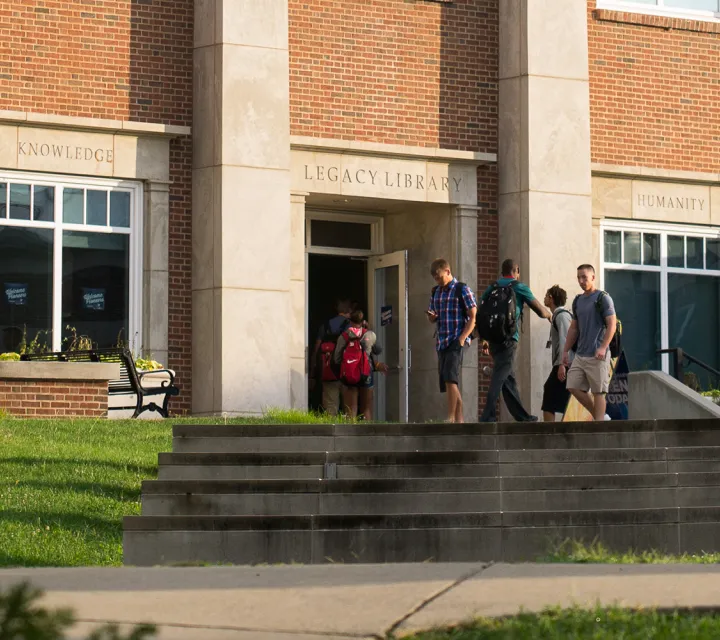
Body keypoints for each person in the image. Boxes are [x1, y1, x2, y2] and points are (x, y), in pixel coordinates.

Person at [479, 259, 551, 422]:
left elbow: (482, 312)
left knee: (508, 378)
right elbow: (540, 310)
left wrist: (484, 339)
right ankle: (487, 415)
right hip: (509, 339)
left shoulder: (492, 287)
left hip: (493, 339)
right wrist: (551, 315)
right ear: (516, 270)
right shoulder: (519, 287)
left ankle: (522, 417)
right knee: (500, 375)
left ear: (502, 271)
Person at [562, 264, 617, 421]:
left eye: (584, 277)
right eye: (578, 277)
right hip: (580, 353)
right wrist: (565, 351)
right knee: (572, 385)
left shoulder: (603, 298)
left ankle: (599, 425)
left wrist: (603, 347)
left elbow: (612, 324)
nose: (581, 281)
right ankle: (600, 416)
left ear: (593, 277)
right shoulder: (578, 301)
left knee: (598, 391)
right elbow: (573, 328)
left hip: (597, 354)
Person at [426, 258, 477, 423]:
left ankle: (450, 417)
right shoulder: (436, 292)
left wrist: (463, 337)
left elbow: (473, 316)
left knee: (450, 377)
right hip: (442, 340)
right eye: (435, 278)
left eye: (440, 277)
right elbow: (433, 316)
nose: (438, 281)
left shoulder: (462, 289)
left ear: (447, 271)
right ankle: (460, 421)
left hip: (456, 338)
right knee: (447, 381)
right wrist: (432, 317)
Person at [333, 310, 388, 420]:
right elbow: (378, 350)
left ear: (350, 321)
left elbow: (337, 359)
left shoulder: (343, 336)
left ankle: (350, 435)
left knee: (350, 410)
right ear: (362, 321)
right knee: (366, 409)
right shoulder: (369, 334)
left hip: (350, 374)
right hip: (366, 373)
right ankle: (367, 434)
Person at [310, 299, 352, 416]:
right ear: (348, 310)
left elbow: (317, 348)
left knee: (330, 406)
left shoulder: (326, 325)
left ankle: (331, 429)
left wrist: (313, 370)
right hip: (348, 371)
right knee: (349, 407)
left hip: (329, 370)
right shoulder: (351, 326)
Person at [542, 285, 572, 422]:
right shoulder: (558, 316)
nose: (544, 298)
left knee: (549, 392)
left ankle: (549, 431)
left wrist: (561, 364)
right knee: (566, 397)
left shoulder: (562, 316)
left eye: (546, 295)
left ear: (551, 298)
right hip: (564, 363)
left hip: (565, 364)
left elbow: (565, 340)